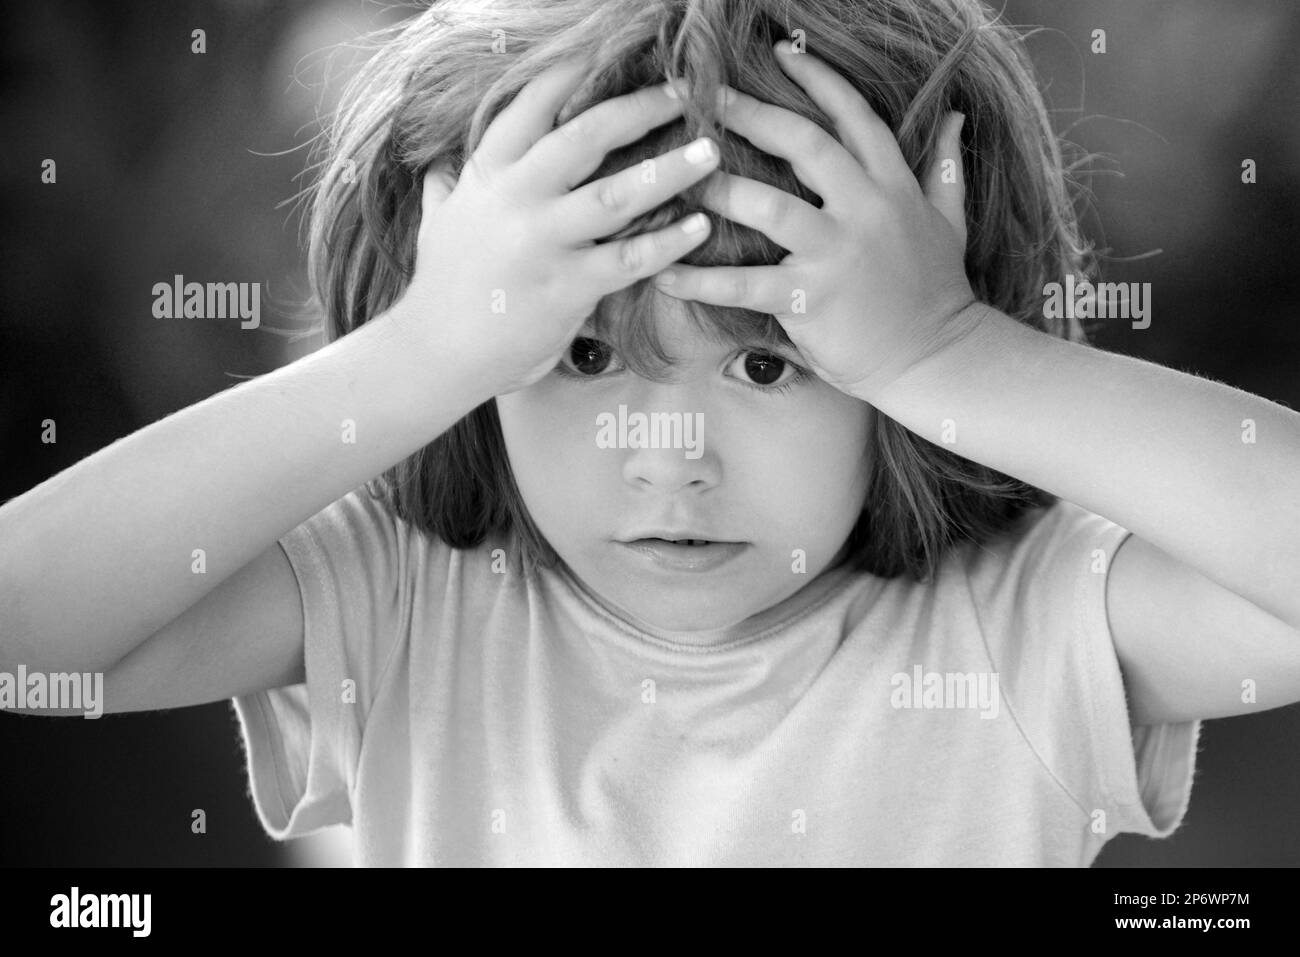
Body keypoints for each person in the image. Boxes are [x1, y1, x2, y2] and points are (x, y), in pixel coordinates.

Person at [4, 0, 1298, 866]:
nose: (667, 450)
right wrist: (418, 355)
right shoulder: (403, 607)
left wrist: (954, 353)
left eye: (763, 358)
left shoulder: (1015, 634)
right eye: (578, 353)